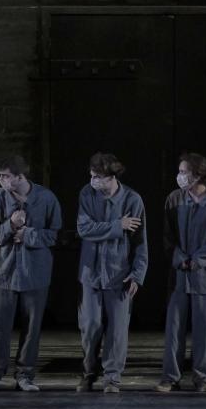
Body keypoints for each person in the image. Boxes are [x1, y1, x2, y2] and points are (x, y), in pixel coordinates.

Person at [0, 155, 62, 392]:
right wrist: (10, 226)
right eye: (0, 176)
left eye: (6, 176)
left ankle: (25, 375)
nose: (1, 180)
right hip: (5, 273)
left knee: (32, 328)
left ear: (20, 177)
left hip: (36, 273)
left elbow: (55, 235)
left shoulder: (46, 198)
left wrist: (28, 234)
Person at [156, 153, 206, 393]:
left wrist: (198, 260)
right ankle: (170, 377)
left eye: (184, 172)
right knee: (174, 329)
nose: (179, 176)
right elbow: (167, 237)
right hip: (180, 275)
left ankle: (202, 378)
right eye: (179, 171)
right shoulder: (174, 199)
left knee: (204, 330)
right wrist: (181, 260)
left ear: (198, 174)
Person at [75, 152, 148, 394]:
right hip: (91, 272)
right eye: (91, 175)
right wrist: (118, 225)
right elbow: (84, 229)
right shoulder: (87, 194)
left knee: (117, 330)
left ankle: (112, 378)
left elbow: (140, 242)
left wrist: (137, 273)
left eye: (98, 177)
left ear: (111, 177)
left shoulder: (132, 200)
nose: (93, 180)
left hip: (119, 273)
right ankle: (88, 373)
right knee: (90, 326)